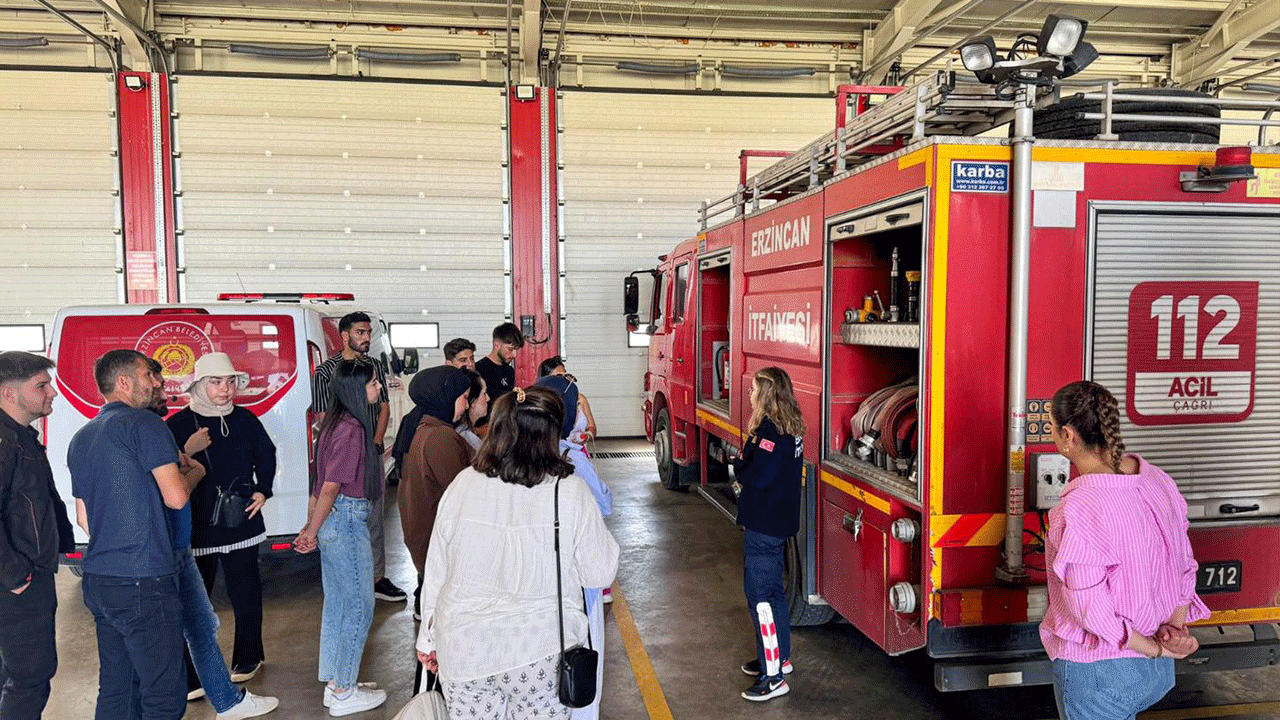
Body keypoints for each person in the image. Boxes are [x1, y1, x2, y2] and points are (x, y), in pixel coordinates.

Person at [415, 387, 619, 719]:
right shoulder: (570, 491)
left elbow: (437, 569)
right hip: (541, 651)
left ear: (497, 429)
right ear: (552, 435)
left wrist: (428, 637)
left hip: (466, 649)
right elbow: (599, 572)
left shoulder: (463, 484)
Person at [1041, 381, 1208, 720]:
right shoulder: (1156, 479)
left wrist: (1155, 648)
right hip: (1153, 672)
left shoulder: (1078, 508)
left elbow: (1090, 611)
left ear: (1068, 436)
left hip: (1100, 673)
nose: (1052, 435)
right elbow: (1184, 564)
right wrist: (1172, 632)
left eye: (1052, 428)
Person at [69, 349, 201, 720]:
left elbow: (84, 520)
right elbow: (176, 498)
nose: (158, 381)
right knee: (164, 696)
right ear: (124, 382)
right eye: (149, 375)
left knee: (118, 689)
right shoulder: (145, 423)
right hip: (144, 579)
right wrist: (195, 473)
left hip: (101, 579)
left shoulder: (82, 436)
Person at [167, 353, 277, 689]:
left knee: (246, 592)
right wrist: (188, 448)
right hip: (196, 524)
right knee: (193, 602)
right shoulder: (178, 424)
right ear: (200, 385)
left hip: (240, 518)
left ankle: (249, 655)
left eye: (230, 381)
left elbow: (266, 454)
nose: (225, 388)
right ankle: (192, 673)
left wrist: (263, 490)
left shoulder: (245, 419)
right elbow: (163, 470)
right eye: (216, 381)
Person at [293, 360, 387, 717]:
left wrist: (311, 526)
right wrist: (311, 530)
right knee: (360, 605)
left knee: (338, 604)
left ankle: (336, 683)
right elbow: (331, 486)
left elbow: (318, 484)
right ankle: (345, 691)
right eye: (373, 383)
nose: (378, 388)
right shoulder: (352, 430)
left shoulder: (333, 424)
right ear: (355, 390)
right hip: (346, 520)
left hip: (333, 520)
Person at [532, 375, 613, 719]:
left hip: (534, 592)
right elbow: (604, 507)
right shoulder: (572, 463)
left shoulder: (507, 464)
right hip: (575, 591)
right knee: (579, 675)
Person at [311, 312, 405, 604]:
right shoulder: (326, 372)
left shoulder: (374, 365)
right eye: (360, 332)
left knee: (374, 517)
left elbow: (384, 408)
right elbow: (323, 416)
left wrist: (373, 443)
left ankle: (376, 578)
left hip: (369, 451)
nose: (366, 338)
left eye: (368, 332)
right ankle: (352, 582)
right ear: (344, 335)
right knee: (346, 515)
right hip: (344, 451)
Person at [0, 352, 74, 720]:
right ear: (9, 393)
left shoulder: (20, 437)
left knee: (14, 674)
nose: (52, 393)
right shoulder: (5, 442)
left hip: (24, 574)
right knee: (30, 676)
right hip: (17, 580)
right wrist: (17, 576)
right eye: (41, 386)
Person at [733, 367, 805, 702]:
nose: (749, 395)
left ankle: (773, 678)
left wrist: (738, 465)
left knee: (760, 599)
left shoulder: (770, 431)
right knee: (774, 594)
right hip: (778, 523)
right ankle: (779, 658)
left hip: (764, 525)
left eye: (752, 390)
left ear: (765, 395)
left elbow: (756, 476)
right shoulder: (790, 426)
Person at [396, 366, 474, 612]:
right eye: (464, 398)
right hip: (439, 546)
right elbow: (464, 494)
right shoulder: (440, 437)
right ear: (446, 398)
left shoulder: (421, 426)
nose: (467, 406)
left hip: (426, 542)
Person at [537, 356, 598, 445]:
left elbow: (592, 427)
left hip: (576, 450)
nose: (563, 379)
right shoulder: (538, 403)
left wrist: (587, 435)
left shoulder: (580, 399)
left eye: (564, 375)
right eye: (558, 376)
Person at [474, 323, 524, 405]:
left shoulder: (509, 371)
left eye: (516, 350)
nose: (514, 355)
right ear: (497, 345)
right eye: (510, 349)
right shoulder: (478, 370)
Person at [454, 370, 487, 450]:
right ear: (473, 401)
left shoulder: (467, 433)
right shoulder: (466, 438)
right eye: (484, 394)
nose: (488, 398)